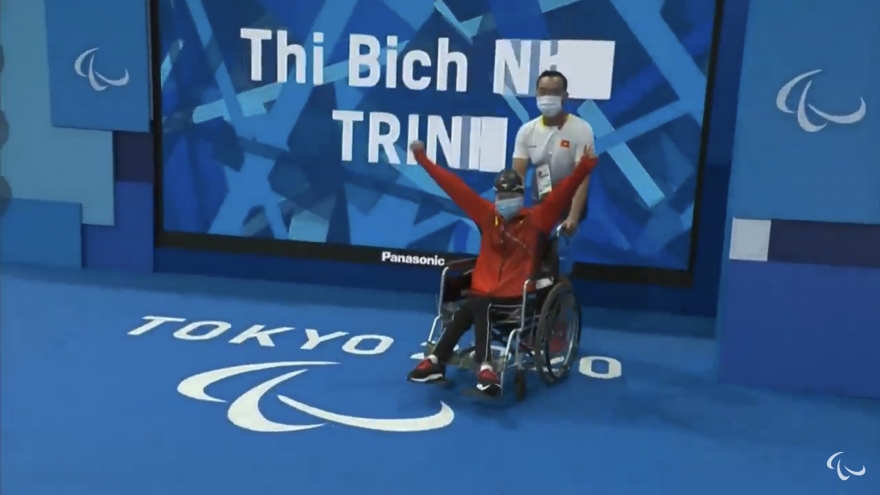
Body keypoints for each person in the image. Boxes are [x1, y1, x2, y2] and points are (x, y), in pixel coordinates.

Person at [406, 139, 598, 396]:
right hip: (482, 295)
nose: (506, 201)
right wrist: (422, 159)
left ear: (520, 196)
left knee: (475, 304)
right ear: (495, 197)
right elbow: (453, 187)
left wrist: (585, 165)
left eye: (511, 196)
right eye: (501, 197)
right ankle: (446, 364)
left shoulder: (537, 219)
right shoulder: (486, 214)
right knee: (472, 305)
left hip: (516, 297)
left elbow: (564, 192)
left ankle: (475, 366)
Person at [512, 70, 596, 237]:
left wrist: (573, 217)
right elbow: (517, 176)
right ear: (536, 94)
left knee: (563, 247)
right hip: (541, 202)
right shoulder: (526, 131)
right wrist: (514, 215)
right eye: (543, 92)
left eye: (555, 92)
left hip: (570, 203)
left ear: (565, 96)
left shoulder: (582, 129)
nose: (547, 98)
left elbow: (582, 177)